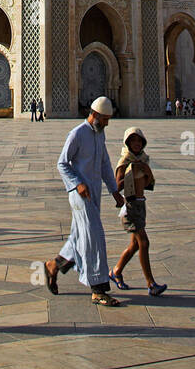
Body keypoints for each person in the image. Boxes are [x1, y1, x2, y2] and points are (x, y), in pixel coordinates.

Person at [43, 96, 126, 307]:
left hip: (94, 193)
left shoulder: (99, 135)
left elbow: (105, 163)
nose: (107, 123)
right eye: (105, 119)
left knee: (80, 236)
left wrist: (114, 191)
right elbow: (62, 163)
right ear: (95, 115)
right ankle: (98, 289)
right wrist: (77, 183)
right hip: (80, 194)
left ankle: (53, 265)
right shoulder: (77, 134)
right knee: (94, 237)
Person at [109, 127, 167, 296]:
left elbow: (149, 183)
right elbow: (116, 186)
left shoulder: (143, 159)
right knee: (144, 243)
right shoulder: (125, 161)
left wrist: (145, 170)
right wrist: (130, 170)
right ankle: (151, 283)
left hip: (141, 204)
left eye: (139, 141)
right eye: (133, 141)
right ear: (127, 143)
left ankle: (116, 271)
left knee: (135, 245)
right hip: (131, 206)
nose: (136, 144)